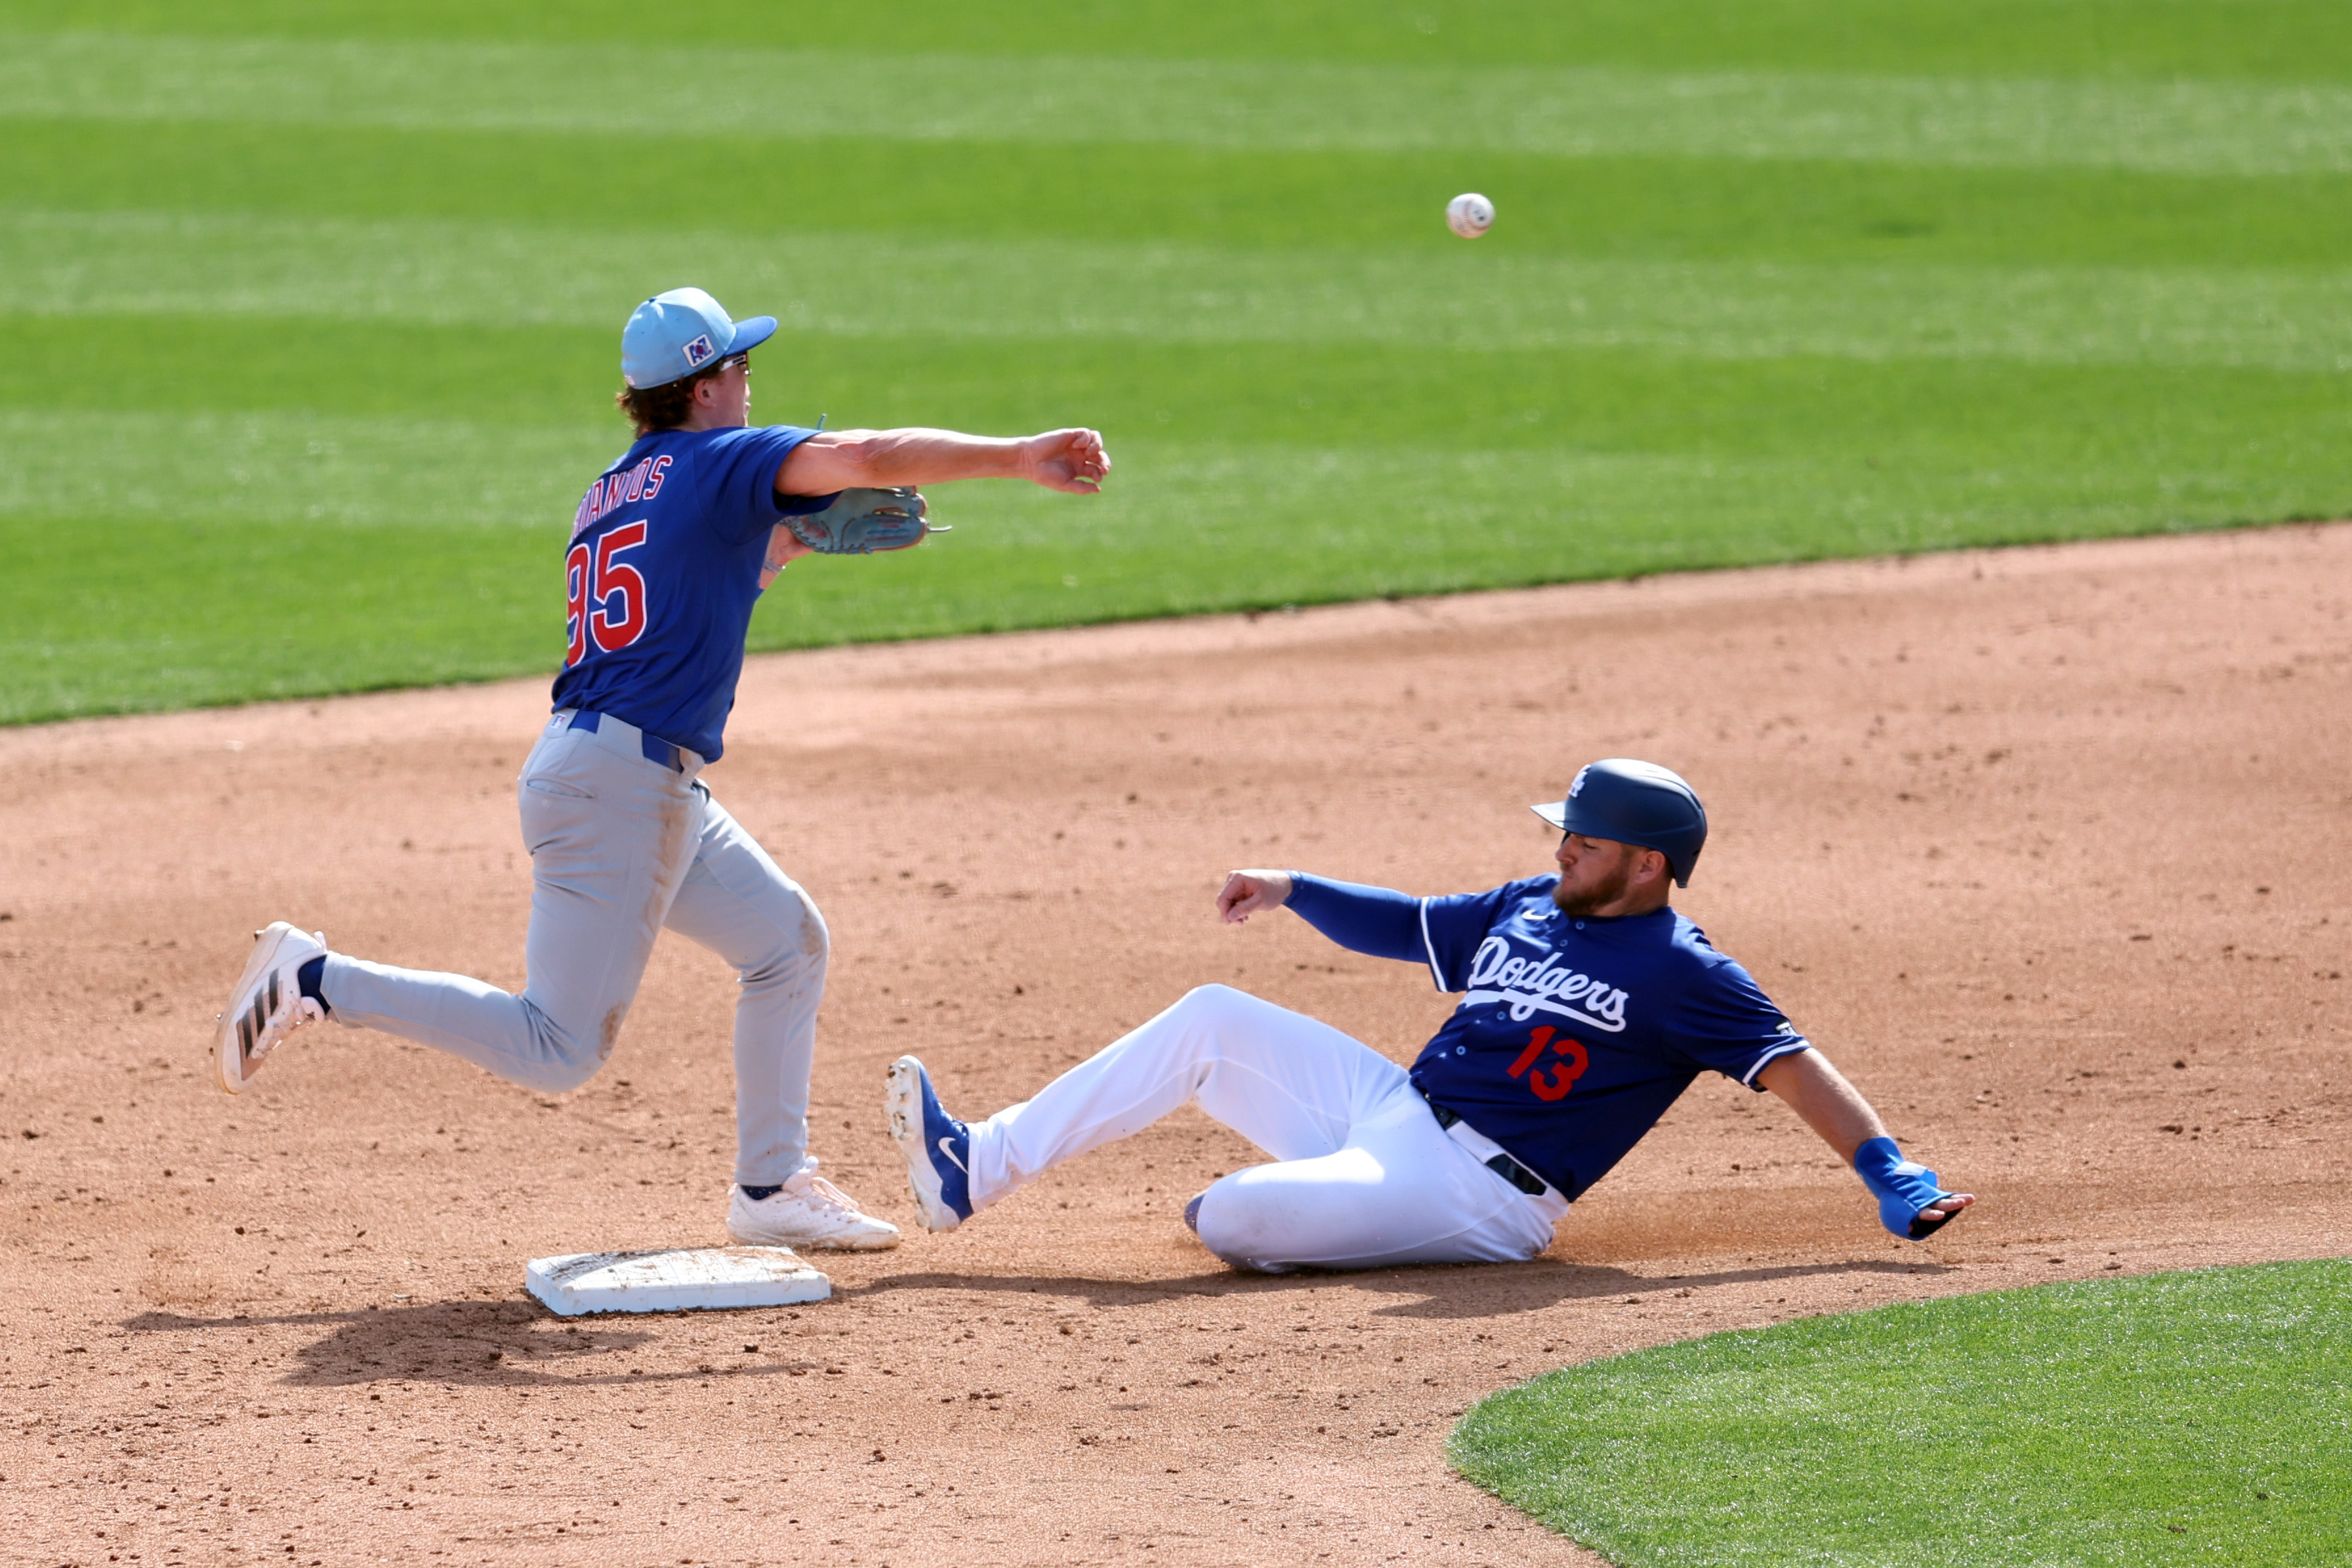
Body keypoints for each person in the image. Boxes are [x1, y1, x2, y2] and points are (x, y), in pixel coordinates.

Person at [213, 286, 1111, 1252]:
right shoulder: (721, 457)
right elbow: (868, 456)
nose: (751, 381)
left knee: (786, 944)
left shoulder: (614, 486)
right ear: (704, 383)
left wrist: (795, 538)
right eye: (739, 365)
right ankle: (317, 976)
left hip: (620, 773)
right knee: (556, 1047)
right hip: (621, 788)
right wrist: (1019, 457)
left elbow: (711, 581)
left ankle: (770, 1184)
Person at [885, 758, 1971, 1272]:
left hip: (1478, 1191)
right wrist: (1292, 887)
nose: (1561, 850)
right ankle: (973, 1166)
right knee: (1212, 1016)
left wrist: (1893, 1178)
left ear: (1648, 864)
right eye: (1563, 834)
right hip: (1393, 1113)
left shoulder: (1687, 972)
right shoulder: (1529, 904)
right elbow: (1408, 926)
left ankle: (1354, 1221)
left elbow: (1792, 1064)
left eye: (1582, 842)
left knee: (1224, 1216)